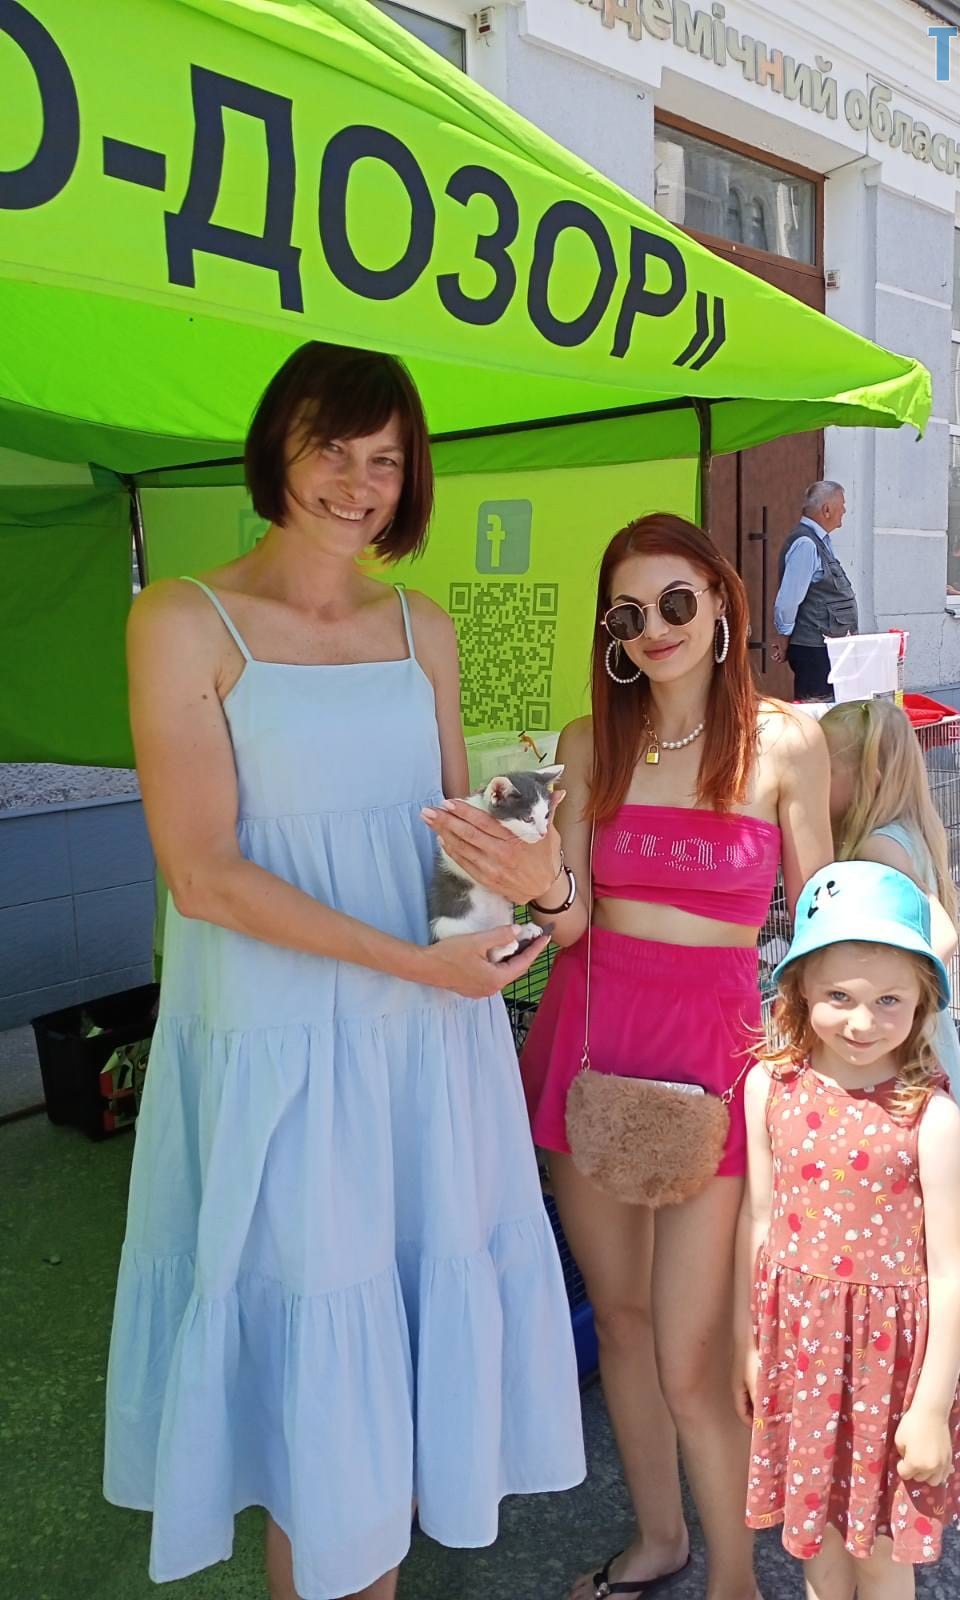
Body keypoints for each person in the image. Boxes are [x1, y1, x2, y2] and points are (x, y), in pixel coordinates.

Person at [104, 341, 585, 1600]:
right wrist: (416, 964)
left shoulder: (423, 626)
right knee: (319, 1387)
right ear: (276, 444)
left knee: (401, 1377)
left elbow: (451, 850)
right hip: (283, 1045)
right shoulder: (181, 620)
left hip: (428, 1044)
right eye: (331, 446)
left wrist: (520, 887)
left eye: (385, 459)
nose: (357, 482)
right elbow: (203, 874)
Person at [465, 512, 831, 1600]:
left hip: (716, 1060)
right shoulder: (587, 742)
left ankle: (734, 1579)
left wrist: (847, 1062)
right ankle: (661, 1539)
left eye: (677, 601)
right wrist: (534, 881)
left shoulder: (785, 742)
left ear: (720, 601)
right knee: (620, 1324)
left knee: (692, 1356)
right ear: (612, 634)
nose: (655, 628)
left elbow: (819, 923)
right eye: (628, 614)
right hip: (591, 1045)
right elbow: (570, 919)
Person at [735, 860, 960, 1599]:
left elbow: (954, 1273)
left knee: (879, 1553)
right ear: (801, 986)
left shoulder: (930, 1117)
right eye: (839, 996)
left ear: (923, 1000)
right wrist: (750, 1344)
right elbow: (759, 1217)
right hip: (802, 1351)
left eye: (888, 1000)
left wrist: (932, 1405)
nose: (862, 1022)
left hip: (889, 1368)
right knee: (817, 1545)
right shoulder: (767, 1086)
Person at [818, 698, 960, 1427]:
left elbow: (937, 936)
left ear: (860, 774)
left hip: (906, 1055)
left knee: (933, 1225)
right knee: (941, 1220)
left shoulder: (876, 849)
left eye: (823, 769)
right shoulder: (906, 829)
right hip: (922, 1040)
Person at [770, 480, 859, 703]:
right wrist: (784, 636)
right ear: (826, 509)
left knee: (830, 709)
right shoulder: (806, 543)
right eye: (842, 504)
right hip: (814, 649)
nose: (844, 510)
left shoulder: (819, 540)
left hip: (825, 646)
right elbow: (788, 600)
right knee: (816, 711)